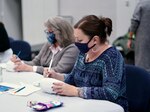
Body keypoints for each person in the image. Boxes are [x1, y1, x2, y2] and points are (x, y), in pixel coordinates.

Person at [45, 15, 128, 111]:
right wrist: (56, 76)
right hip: (85, 104)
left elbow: (110, 92)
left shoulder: (112, 56)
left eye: (79, 40)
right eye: (75, 39)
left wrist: (76, 91)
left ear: (95, 40)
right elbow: (73, 78)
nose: (76, 43)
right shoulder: (84, 52)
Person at [11, 17, 79, 74]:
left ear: (62, 33)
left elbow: (59, 70)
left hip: (58, 83)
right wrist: (20, 62)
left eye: (50, 32)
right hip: (42, 79)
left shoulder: (72, 48)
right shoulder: (49, 44)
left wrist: (32, 69)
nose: (48, 34)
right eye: (47, 31)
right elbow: (35, 62)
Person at [127, 0, 150, 73]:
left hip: (143, 41)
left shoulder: (142, 4)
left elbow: (134, 22)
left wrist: (130, 38)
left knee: (142, 67)